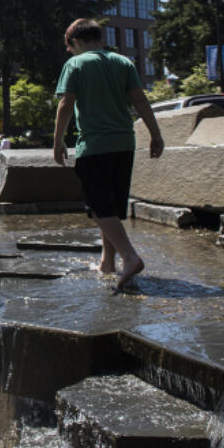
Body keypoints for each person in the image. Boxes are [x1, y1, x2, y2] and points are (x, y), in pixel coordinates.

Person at [53, 18, 164, 292]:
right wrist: (156, 134)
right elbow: (140, 100)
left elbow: (66, 104)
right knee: (111, 207)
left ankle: (130, 257)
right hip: (125, 144)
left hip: (95, 145)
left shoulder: (76, 64)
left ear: (76, 41)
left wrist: (58, 141)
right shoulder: (123, 63)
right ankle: (107, 262)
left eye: (69, 46)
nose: (68, 51)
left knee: (98, 207)